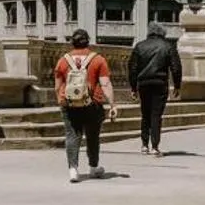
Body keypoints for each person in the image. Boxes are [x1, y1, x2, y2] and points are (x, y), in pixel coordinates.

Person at [55, 29, 115, 183]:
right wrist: (112, 105)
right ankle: (93, 167)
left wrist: (61, 100)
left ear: (72, 42)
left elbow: (58, 86)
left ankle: (73, 170)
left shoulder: (63, 60)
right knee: (93, 136)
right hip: (92, 103)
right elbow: (105, 83)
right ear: (88, 41)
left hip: (69, 103)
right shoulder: (98, 60)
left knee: (72, 135)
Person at [128, 23, 183, 156]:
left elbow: (132, 68)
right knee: (156, 115)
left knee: (145, 113)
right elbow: (176, 67)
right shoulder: (168, 46)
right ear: (163, 33)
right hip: (160, 83)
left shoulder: (140, 46)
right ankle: (155, 146)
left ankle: (144, 145)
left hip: (144, 83)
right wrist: (177, 85)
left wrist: (133, 87)